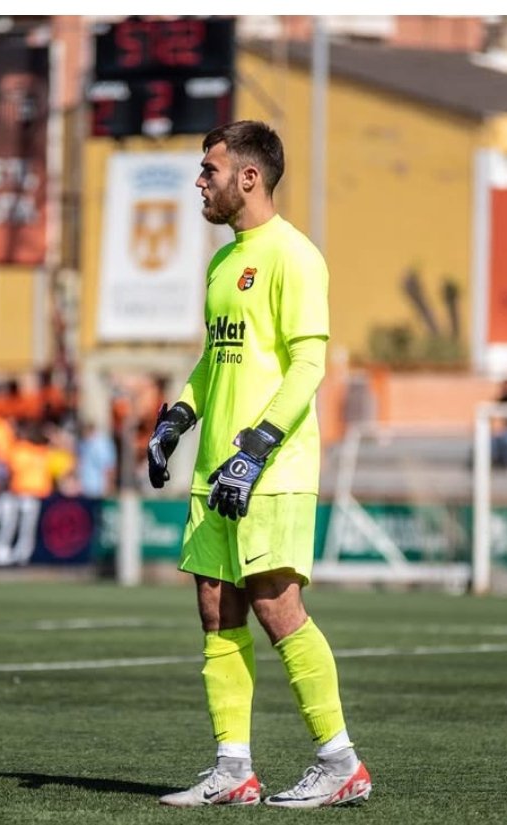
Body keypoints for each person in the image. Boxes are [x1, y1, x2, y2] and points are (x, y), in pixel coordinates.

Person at [148, 121, 370, 809]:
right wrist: (177, 417)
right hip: (217, 466)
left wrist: (258, 445)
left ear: (249, 176)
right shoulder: (223, 262)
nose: (199, 181)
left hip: (269, 465)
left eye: (209, 169)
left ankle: (340, 761)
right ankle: (233, 769)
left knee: (277, 604)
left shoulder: (294, 256)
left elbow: (310, 365)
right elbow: (218, 361)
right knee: (216, 607)